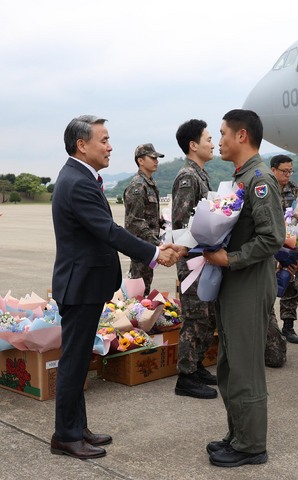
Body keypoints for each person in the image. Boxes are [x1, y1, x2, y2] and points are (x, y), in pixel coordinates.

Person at [51, 115, 181, 460]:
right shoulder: (77, 182)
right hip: (80, 286)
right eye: (104, 140)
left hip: (86, 284)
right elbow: (109, 232)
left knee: (78, 361)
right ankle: (65, 435)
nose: (110, 147)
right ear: (82, 144)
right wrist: (155, 253)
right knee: (74, 363)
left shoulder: (81, 177)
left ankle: (76, 427)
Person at [203, 109, 285, 468]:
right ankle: (238, 433)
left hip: (248, 285)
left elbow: (273, 238)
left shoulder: (260, 179)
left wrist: (230, 258)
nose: (218, 140)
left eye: (222, 133)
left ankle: (252, 446)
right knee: (228, 365)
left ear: (241, 136)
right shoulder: (241, 178)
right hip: (234, 284)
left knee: (245, 368)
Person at [171, 119, 220, 399]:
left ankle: (197, 364)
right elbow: (180, 223)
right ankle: (185, 377)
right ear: (193, 145)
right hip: (192, 260)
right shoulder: (187, 177)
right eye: (208, 138)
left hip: (205, 258)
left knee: (207, 316)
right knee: (194, 317)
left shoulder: (201, 175)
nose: (212, 144)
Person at [269, 154, 298, 345]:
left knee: (293, 282)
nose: (288, 174)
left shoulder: (295, 190)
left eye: (290, 171)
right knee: (269, 283)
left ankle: (288, 326)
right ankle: (269, 325)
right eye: (284, 171)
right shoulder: (266, 188)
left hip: (291, 244)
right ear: (273, 170)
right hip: (270, 246)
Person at [124, 143, 164, 296]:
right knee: (138, 293)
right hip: (141, 247)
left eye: (157, 158)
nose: (156, 161)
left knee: (144, 290)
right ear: (140, 161)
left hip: (149, 248)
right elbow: (134, 222)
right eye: (152, 157)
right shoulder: (138, 185)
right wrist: (156, 242)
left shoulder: (150, 184)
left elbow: (148, 217)